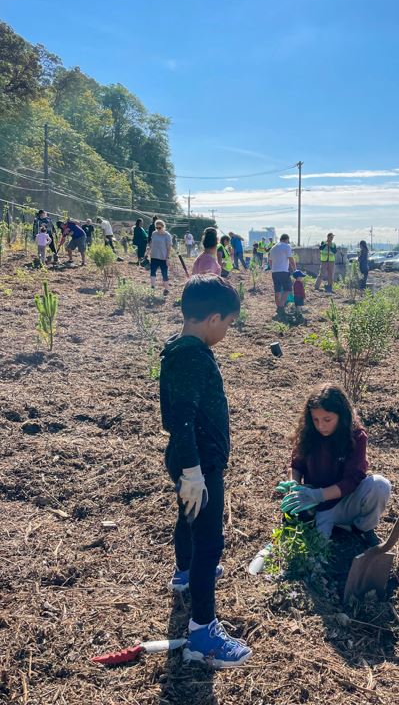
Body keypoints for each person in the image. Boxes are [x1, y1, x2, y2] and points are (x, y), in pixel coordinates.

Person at [160, 275, 252, 668]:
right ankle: (203, 633)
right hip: (199, 463)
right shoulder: (192, 357)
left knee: (189, 518)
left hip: (191, 461)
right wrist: (194, 472)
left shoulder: (179, 349)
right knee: (209, 542)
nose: (227, 332)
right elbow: (180, 420)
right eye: (228, 324)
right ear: (213, 318)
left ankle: (184, 573)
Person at [279, 383, 392, 546]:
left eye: (327, 419)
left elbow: (353, 480)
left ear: (342, 416)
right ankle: (325, 523)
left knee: (380, 485)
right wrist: (294, 487)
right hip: (318, 506)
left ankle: (362, 528)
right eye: (315, 419)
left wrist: (319, 494)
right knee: (313, 554)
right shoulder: (308, 432)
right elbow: (296, 465)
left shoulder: (356, 437)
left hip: (346, 501)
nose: (320, 426)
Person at [269, 233, 296, 317]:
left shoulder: (273, 248)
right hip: (283, 271)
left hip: (274, 272)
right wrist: (295, 269)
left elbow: (270, 261)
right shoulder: (286, 246)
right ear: (286, 239)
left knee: (277, 290)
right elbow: (291, 258)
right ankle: (281, 307)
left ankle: (278, 308)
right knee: (288, 289)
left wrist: (273, 268)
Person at [149, 219, 173, 294]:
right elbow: (151, 244)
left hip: (163, 257)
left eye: (159, 228)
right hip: (154, 256)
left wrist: (167, 258)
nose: (158, 229)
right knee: (152, 272)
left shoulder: (167, 235)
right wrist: (147, 253)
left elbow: (169, 247)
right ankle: (152, 287)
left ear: (163, 227)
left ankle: (167, 289)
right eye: (156, 228)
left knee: (164, 273)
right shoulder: (154, 233)